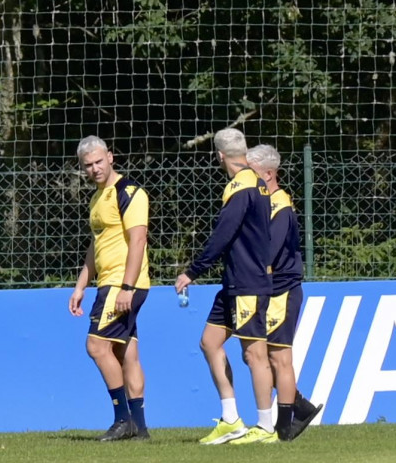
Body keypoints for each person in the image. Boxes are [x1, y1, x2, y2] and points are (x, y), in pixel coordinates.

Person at [174, 128, 277, 444]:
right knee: (209, 342)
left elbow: (223, 235)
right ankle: (231, 419)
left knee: (255, 354)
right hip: (234, 282)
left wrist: (192, 271)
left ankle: (266, 427)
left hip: (247, 282)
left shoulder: (240, 187)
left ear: (219, 156)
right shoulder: (258, 184)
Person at [69, 135, 151, 441]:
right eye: (87, 165)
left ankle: (122, 418)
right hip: (110, 282)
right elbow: (97, 245)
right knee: (124, 352)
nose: (94, 168)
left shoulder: (129, 192)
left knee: (96, 346)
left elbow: (138, 239)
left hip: (122, 283)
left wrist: (127, 287)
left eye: (98, 161)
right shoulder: (97, 198)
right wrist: (80, 286)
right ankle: (139, 428)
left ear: (111, 157)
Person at [246, 144, 323, 441]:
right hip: (267, 291)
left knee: (278, 358)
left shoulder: (280, 206)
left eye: (251, 173)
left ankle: (285, 425)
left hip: (281, 291)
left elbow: (270, 252)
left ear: (268, 173)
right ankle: (299, 407)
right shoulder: (262, 204)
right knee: (255, 355)